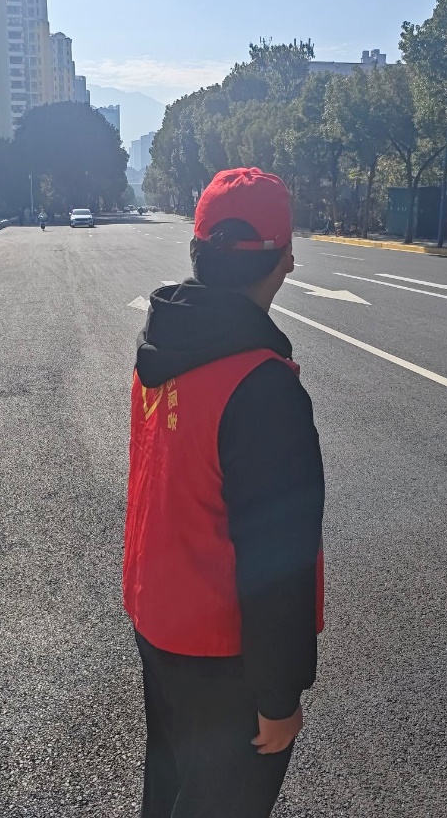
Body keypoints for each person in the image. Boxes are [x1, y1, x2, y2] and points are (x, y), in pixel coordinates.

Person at [125, 167, 325, 817]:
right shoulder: (262, 386)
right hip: (224, 652)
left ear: (198, 250)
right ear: (283, 259)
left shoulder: (162, 345)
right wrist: (279, 695)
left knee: (171, 789)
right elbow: (278, 558)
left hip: (159, 620)